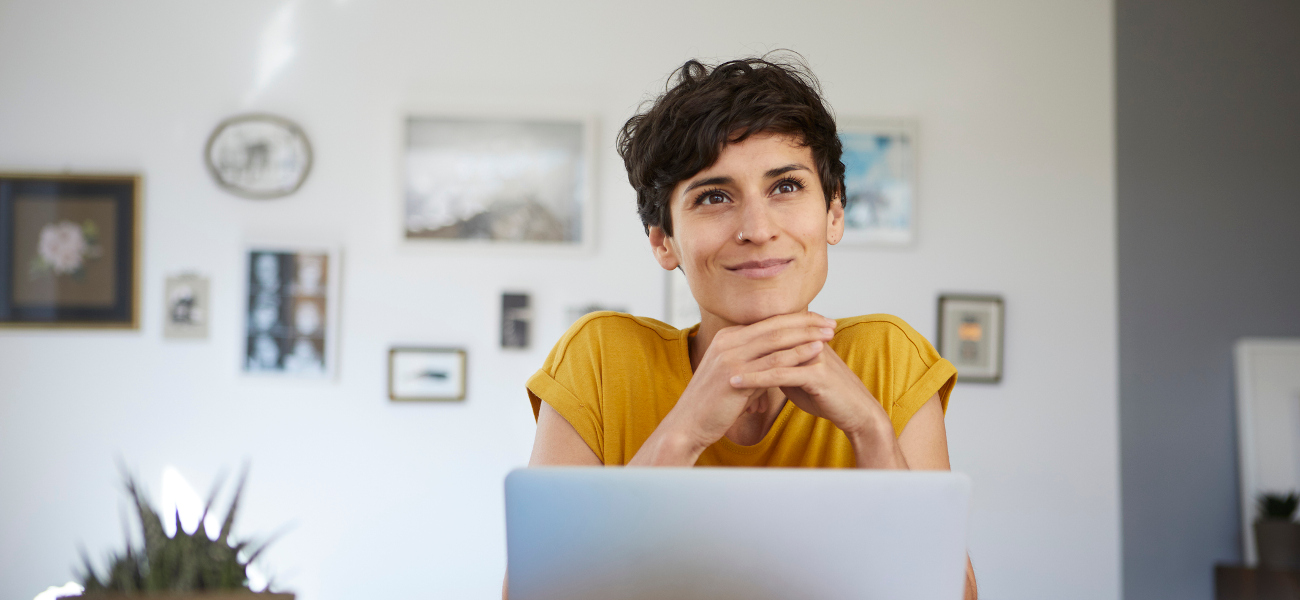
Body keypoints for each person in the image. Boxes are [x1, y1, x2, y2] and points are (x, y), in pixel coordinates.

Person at [515, 55, 977, 600]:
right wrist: (683, 432)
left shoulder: (888, 356)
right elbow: (535, 593)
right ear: (663, 240)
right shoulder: (599, 359)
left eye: (785, 187)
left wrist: (869, 431)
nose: (758, 229)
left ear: (834, 213)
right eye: (714, 196)